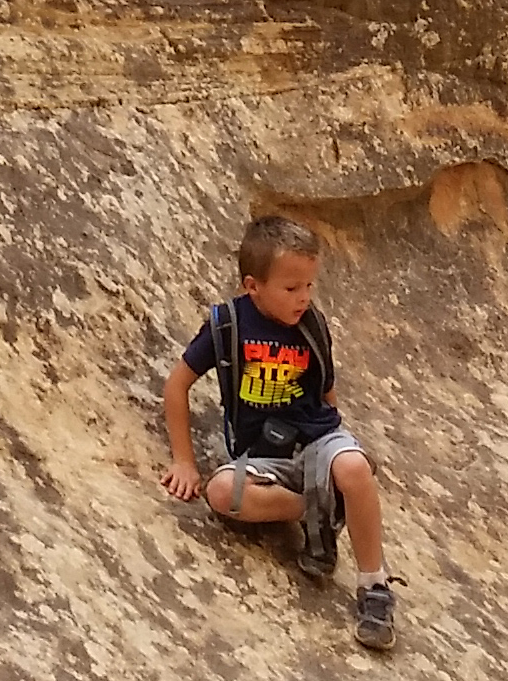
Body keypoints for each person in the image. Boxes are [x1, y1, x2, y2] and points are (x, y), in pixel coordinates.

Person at [161, 214, 397, 651]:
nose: (303, 298)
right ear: (253, 285)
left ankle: (375, 586)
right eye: (291, 289)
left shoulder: (312, 327)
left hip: (316, 438)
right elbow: (177, 385)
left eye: (309, 286)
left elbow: (327, 394)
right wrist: (184, 461)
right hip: (264, 455)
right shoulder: (228, 326)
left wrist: (338, 451)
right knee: (222, 494)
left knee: (355, 468)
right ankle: (320, 511)